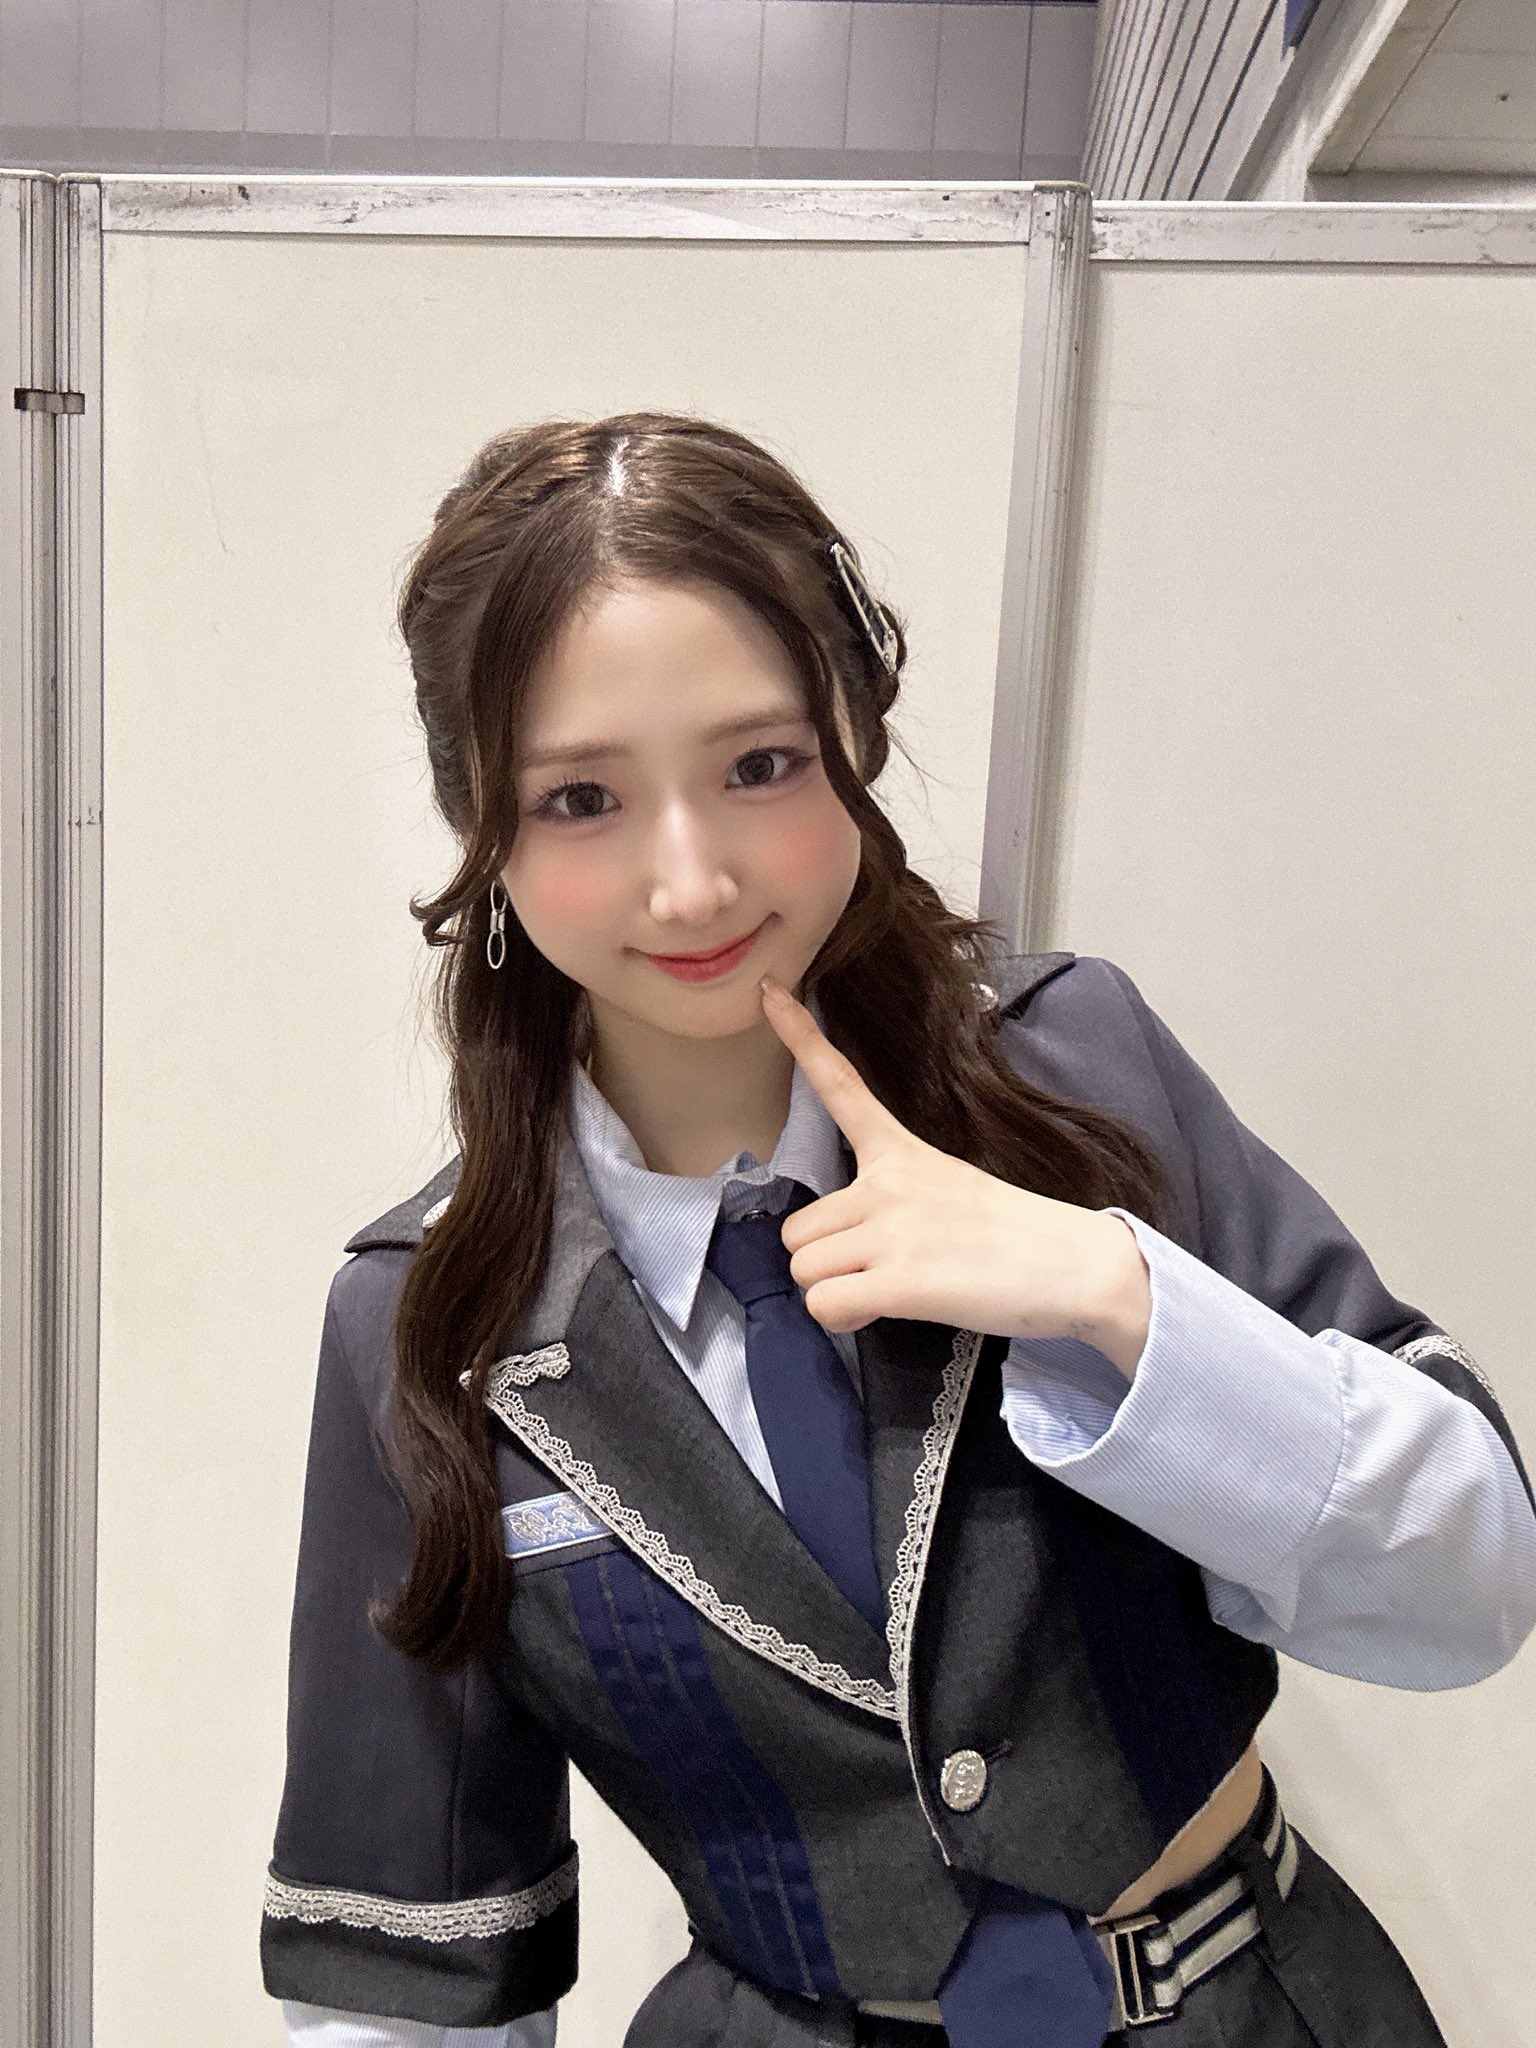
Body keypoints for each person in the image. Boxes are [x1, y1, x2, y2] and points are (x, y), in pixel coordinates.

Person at [260, 412, 1536, 2048]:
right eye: (579, 798)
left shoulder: (1075, 1073)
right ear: (479, 826)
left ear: (855, 732)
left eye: (761, 766)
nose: (691, 884)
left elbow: (1468, 1594)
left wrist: (1116, 1294)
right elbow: (410, 1967)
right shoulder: (430, 1323)